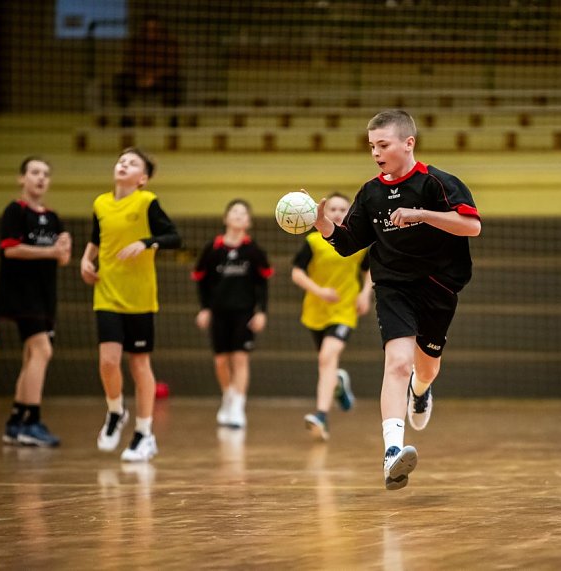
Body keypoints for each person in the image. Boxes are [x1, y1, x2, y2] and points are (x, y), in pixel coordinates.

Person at [312, 109, 481, 490]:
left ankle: (421, 395)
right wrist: (323, 225)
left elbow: (472, 225)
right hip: (392, 286)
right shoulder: (370, 193)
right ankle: (392, 452)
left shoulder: (436, 183)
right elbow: (346, 243)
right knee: (398, 363)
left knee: (426, 369)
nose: (375, 152)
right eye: (371, 146)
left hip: (438, 286)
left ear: (408, 143)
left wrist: (421, 213)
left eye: (382, 144)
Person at [80, 147, 181, 462]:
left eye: (132, 163)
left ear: (143, 178)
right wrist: (86, 259)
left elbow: (173, 237)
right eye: (121, 160)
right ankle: (115, 411)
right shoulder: (100, 203)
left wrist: (145, 242)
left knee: (139, 365)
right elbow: (98, 237)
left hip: (139, 297)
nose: (123, 164)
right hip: (107, 292)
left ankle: (144, 433)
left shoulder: (147, 202)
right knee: (108, 361)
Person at [0, 157, 72, 446]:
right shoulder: (15, 211)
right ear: (22, 179)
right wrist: (52, 252)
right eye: (34, 172)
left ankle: (15, 421)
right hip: (21, 293)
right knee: (43, 351)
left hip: (45, 295)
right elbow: (11, 250)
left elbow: (62, 258)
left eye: (45, 174)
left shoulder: (53, 217)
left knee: (31, 355)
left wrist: (64, 249)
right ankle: (32, 421)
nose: (40, 178)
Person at [291, 192, 373, 442]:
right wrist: (319, 291)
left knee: (327, 357)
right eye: (333, 209)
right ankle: (337, 381)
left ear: (350, 214)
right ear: (325, 212)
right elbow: (296, 272)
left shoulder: (356, 242)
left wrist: (365, 294)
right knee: (327, 362)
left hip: (344, 310)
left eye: (343, 209)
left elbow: (370, 270)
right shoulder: (314, 241)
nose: (338, 213)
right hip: (316, 310)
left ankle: (321, 416)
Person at [192, 199, 273, 429]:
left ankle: (238, 406)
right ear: (226, 218)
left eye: (243, 213)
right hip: (218, 312)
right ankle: (228, 395)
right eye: (234, 212)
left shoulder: (253, 251)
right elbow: (201, 280)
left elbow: (263, 283)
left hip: (244, 313)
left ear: (248, 222)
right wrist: (205, 308)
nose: (238, 215)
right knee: (220, 360)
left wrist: (262, 312)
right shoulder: (212, 249)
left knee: (240, 358)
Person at [113, 14, 183, 126]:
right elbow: (129, 64)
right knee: (121, 80)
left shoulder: (169, 43)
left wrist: (154, 77)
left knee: (176, 82)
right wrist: (142, 77)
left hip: (161, 81)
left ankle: (173, 119)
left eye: (154, 29)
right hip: (139, 80)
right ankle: (125, 117)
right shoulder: (135, 43)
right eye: (148, 30)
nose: (151, 33)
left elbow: (173, 66)